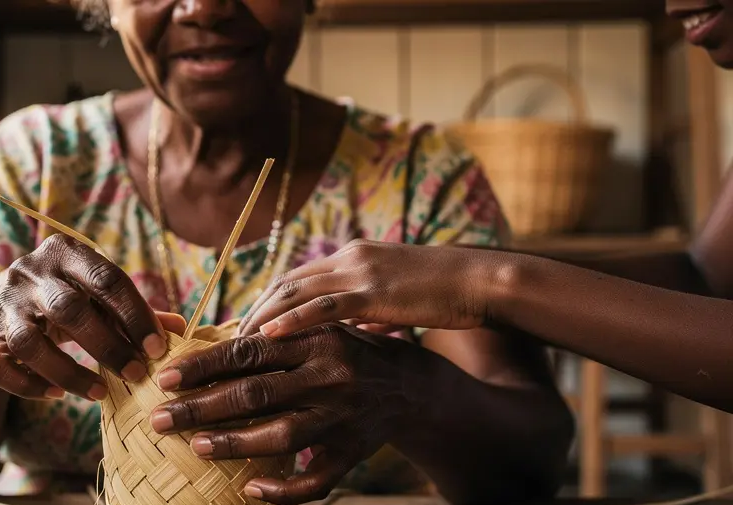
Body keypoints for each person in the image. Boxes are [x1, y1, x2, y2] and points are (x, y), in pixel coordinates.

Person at [0, 0, 574, 505]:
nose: (205, 5)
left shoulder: (423, 176)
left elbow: (531, 462)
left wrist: (408, 392)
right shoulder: (31, 163)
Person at [233, 1, 733, 421]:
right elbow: (704, 277)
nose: (672, 5)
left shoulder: (424, 170)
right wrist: (461, 266)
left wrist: (487, 280)